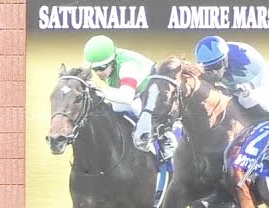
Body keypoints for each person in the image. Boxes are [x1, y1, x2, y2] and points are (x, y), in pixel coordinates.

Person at [82, 35, 178, 163]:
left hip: (152, 94)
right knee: (107, 106)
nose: (99, 73)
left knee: (137, 107)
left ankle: (165, 140)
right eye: (95, 69)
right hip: (136, 92)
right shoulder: (106, 63)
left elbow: (126, 97)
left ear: (112, 61)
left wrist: (100, 91)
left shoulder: (128, 67)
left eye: (102, 67)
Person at [195, 35, 269, 120]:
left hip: (260, 83)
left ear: (226, 59)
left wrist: (249, 85)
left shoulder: (248, 59)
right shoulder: (203, 69)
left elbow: (265, 75)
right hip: (234, 89)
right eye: (208, 68)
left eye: (216, 66)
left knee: (245, 100)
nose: (214, 72)